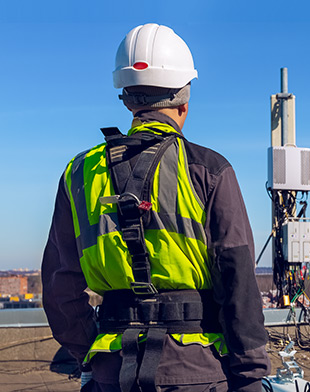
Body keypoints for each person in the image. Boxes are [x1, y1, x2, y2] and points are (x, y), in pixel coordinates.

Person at [42, 23, 270, 392]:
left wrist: (93, 352)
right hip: (197, 372)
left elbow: (60, 286)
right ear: (184, 99)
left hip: (111, 374)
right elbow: (237, 280)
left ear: (127, 99)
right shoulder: (208, 169)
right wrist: (250, 375)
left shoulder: (79, 174)